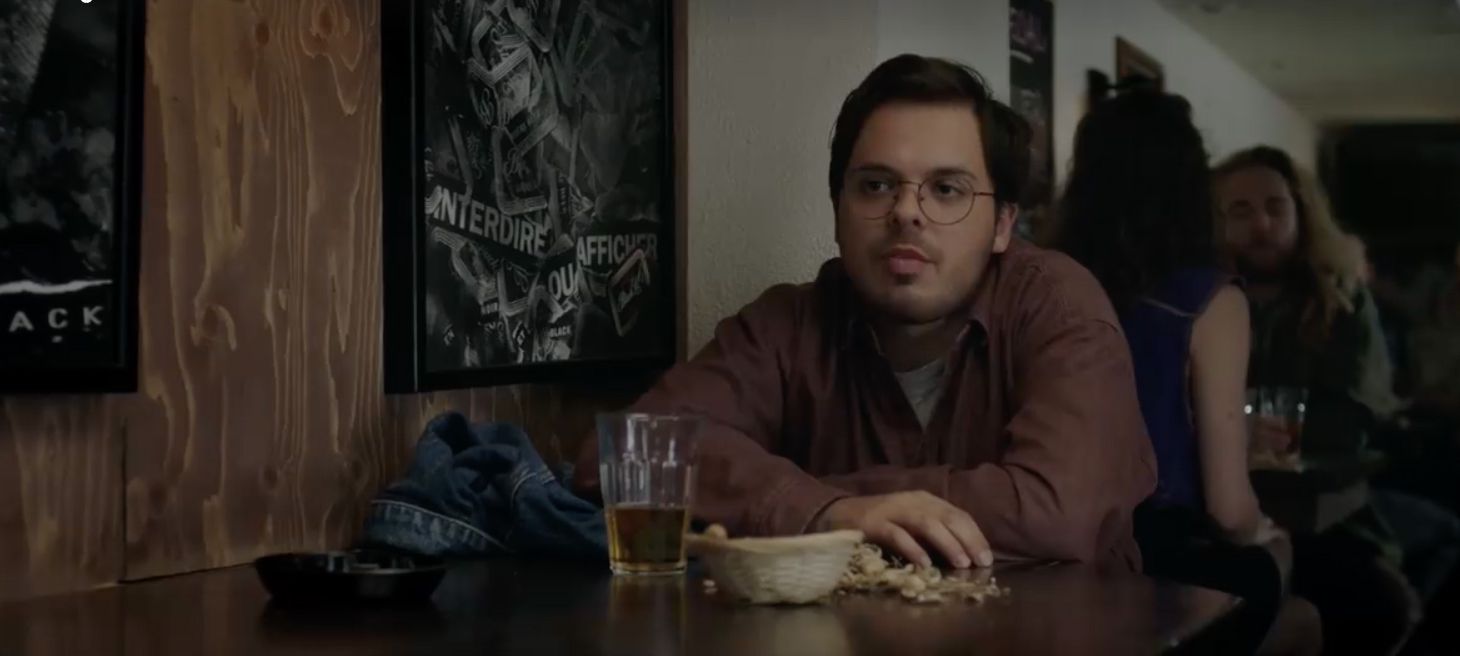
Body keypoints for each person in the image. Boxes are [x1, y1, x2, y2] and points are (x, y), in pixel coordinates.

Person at [573, 55, 1156, 571]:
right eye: (876, 185)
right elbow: (619, 455)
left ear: (1003, 224)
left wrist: (819, 502)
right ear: (837, 210)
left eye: (947, 189)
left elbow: (1059, 510)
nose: (906, 212)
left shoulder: (1058, 305)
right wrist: (829, 510)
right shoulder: (787, 323)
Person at [1056, 90, 1319, 655]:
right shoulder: (1210, 299)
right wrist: (1264, 532)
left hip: (1052, 548)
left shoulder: (1047, 282)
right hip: (1158, 558)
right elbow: (1228, 510)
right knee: (1289, 581)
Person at [1215, 146, 1454, 655]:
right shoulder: (1201, 301)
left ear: (1301, 211)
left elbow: (1354, 415)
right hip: (1223, 509)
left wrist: (1252, 423)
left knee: (1387, 603)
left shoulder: (1341, 298)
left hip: (1326, 509)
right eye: (1241, 210)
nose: (1262, 224)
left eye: (1276, 207)